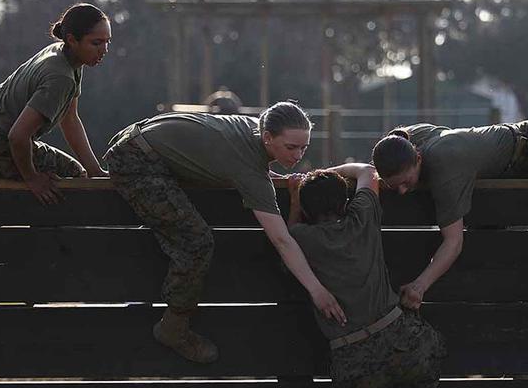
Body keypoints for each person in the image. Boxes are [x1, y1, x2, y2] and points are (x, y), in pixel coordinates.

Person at [104, 101, 347, 364]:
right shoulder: (249, 168)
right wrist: (316, 289)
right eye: (291, 147)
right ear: (267, 137)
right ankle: (173, 328)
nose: (298, 156)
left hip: (137, 138)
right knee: (197, 242)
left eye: (304, 148)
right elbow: (281, 240)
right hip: (136, 159)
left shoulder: (254, 131)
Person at [287, 164, 445, 388]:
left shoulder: (301, 239)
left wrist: (294, 201)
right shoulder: (362, 218)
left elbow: (288, 238)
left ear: (307, 211)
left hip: (354, 357)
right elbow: (368, 171)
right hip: (408, 343)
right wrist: (331, 170)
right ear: (344, 204)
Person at [371, 119, 528, 309]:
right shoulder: (401, 142)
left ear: (418, 158)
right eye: (394, 186)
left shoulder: (443, 163)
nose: (402, 191)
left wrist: (419, 287)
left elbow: (453, 242)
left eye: (406, 182)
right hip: (507, 161)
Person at [0, 3, 111, 205]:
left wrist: (95, 171)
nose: (104, 50)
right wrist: (32, 178)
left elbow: (70, 120)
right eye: (96, 43)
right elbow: (17, 136)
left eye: (107, 42)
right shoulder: (61, 77)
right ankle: (47, 237)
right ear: (72, 40)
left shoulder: (63, 54)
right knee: (72, 176)